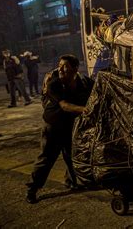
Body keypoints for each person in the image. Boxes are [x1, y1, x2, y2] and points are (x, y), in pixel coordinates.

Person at [26, 54, 94, 204]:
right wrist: (86, 110)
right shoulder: (53, 82)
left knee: (71, 155)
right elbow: (64, 105)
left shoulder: (84, 82)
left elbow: (98, 90)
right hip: (53, 126)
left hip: (70, 126)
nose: (61, 69)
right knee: (46, 159)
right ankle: (32, 188)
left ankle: (72, 182)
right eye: (60, 65)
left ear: (75, 68)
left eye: (66, 66)